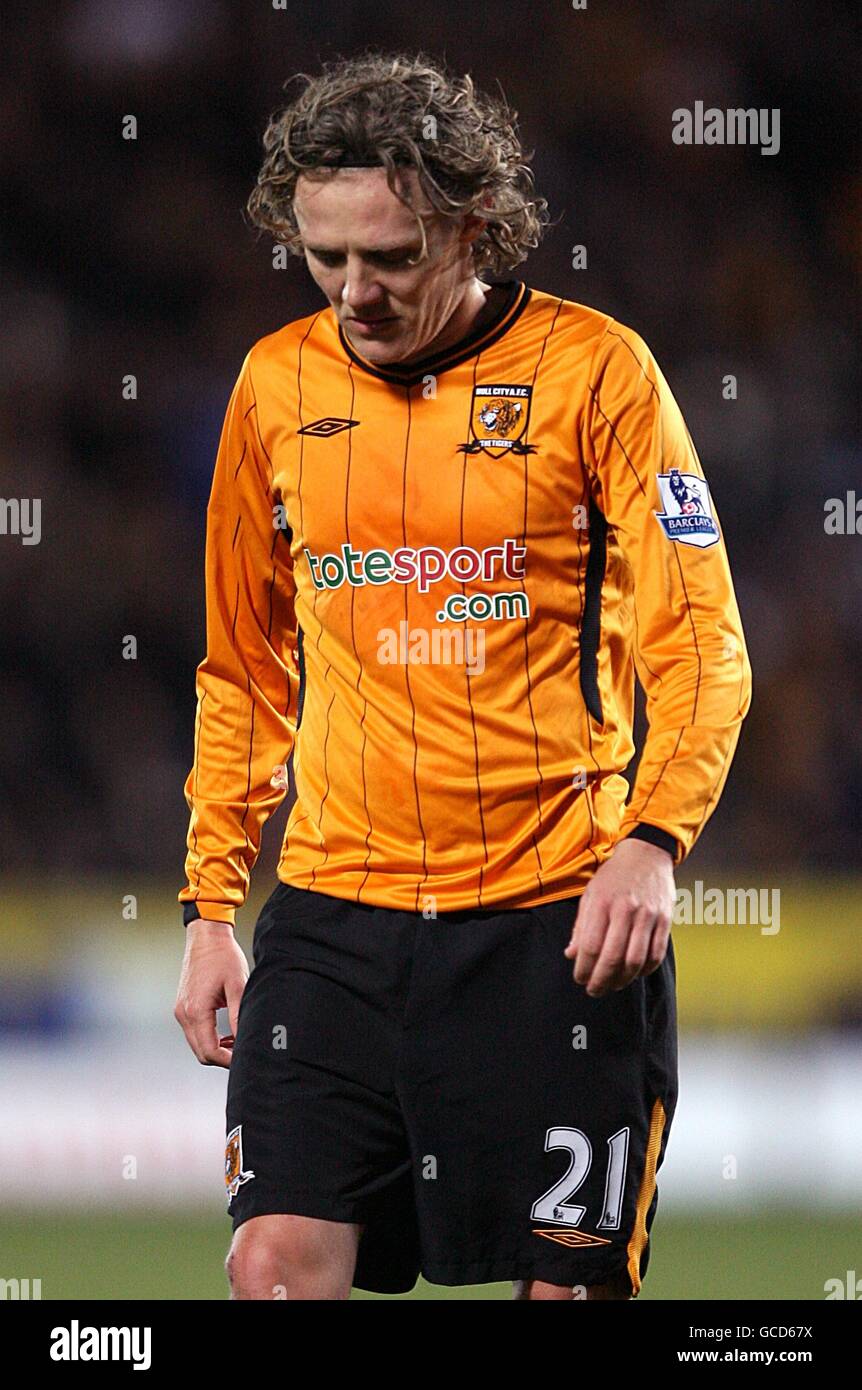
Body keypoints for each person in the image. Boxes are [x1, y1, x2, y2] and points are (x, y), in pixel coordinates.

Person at [175, 50, 752, 1301]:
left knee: (570, 1289)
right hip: (335, 917)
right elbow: (244, 663)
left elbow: (701, 645)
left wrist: (653, 840)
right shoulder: (275, 386)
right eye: (324, 257)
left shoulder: (599, 374)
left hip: (553, 920)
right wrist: (209, 902)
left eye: (389, 257)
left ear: (473, 224)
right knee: (273, 1263)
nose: (354, 293)